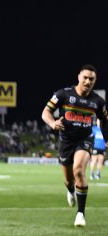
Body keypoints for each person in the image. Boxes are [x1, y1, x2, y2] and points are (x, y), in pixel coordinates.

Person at [42, 64, 108, 227]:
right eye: (85, 77)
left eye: (91, 79)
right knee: (68, 180)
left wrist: (99, 134)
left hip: (85, 139)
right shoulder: (63, 94)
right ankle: (71, 190)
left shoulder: (97, 101)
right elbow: (46, 112)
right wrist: (53, 124)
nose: (87, 81)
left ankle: (80, 214)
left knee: (79, 169)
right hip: (66, 141)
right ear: (79, 77)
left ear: (95, 81)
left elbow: (105, 119)